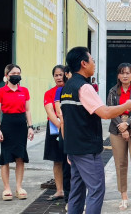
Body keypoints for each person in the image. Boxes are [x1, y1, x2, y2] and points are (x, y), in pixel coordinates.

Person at [60, 46, 131, 214]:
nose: (94, 63)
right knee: (96, 190)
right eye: (92, 60)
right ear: (83, 63)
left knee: (77, 191)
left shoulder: (67, 88)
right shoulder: (84, 88)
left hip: (73, 148)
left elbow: (64, 121)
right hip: (86, 148)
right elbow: (105, 113)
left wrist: (68, 149)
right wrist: (127, 105)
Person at [107, 63, 131, 211]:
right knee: (120, 165)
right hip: (117, 130)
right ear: (118, 75)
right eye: (122, 73)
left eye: (128, 73)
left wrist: (127, 124)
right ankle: (124, 196)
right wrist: (121, 127)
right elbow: (110, 111)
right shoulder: (112, 91)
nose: (125, 76)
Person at [0, 64, 34, 201]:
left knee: (20, 157)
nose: (16, 75)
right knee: (5, 157)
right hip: (7, 125)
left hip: (21, 126)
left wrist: (30, 127)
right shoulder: (0, 92)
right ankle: (7, 188)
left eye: (18, 72)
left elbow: (28, 111)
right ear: (7, 76)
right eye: (13, 73)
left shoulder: (25, 91)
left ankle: (18, 187)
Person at [43, 65, 65, 201]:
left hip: (71, 129)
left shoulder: (71, 91)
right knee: (57, 160)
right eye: (56, 75)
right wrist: (61, 127)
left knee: (71, 161)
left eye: (61, 74)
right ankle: (59, 190)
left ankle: (72, 190)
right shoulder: (49, 93)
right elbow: (50, 111)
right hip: (54, 129)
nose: (58, 77)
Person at [53, 65, 72, 208]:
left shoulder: (82, 88)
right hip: (66, 131)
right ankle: (68, 200)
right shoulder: (60, 91)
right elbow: (60, 113)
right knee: (67, 167)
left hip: (80, 133)